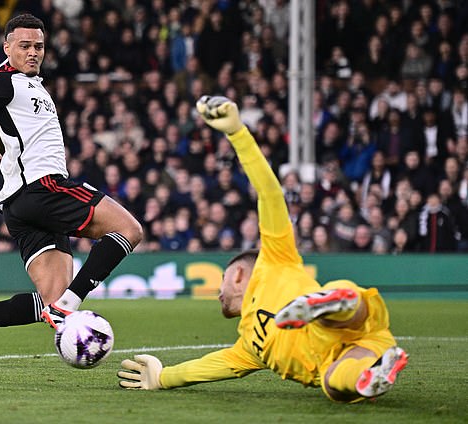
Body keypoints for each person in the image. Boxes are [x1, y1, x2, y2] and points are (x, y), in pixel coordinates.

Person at [117, 96, 408, 402]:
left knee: (330, 316)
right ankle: (373, 374)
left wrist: (237, 134)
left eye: (224, 281)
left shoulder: (275, 258)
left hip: (350, 320)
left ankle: (331, 302)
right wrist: (163, 377)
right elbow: (209, 367)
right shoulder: (249, 347)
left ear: (240, 274)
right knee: (336, 385)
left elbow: (269, 194)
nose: (218, 293)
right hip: (357, 350)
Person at [0, 14, 143, 361]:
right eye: (24, 45)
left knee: (49, 298)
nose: (33, 52)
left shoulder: (29, 84)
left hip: (19, 205)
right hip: (44, 187)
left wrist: (2, 146)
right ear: (7, 47)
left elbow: (1, 121)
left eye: (38, 45)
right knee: (129, 229)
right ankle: (69, 307)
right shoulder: (3, 80)